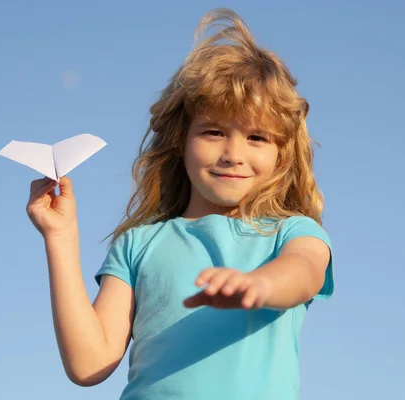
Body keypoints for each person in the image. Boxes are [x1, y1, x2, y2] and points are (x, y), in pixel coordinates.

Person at [26, 8, 334, 400]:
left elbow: (304, 272)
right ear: (180, 140)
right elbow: (89, 363)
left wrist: (259, 284)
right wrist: (61, 235)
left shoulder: (293, 232)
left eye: (257, 137)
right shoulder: (138, 245)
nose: (233, 154)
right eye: (213, 131)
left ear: (282, 154)